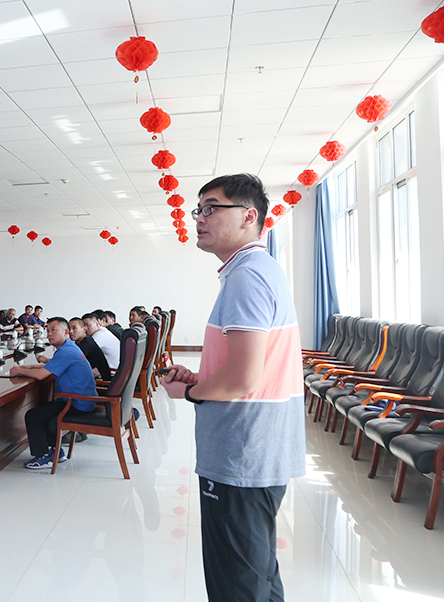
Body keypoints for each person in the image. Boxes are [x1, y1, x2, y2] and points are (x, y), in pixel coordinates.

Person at [161, 173, 304, 602]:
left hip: (243, 454)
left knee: (237, 588)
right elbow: (244, 369)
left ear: (248, 216)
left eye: (210, 208)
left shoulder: (248, 276)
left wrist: (189, 393)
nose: (199, 218)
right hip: (255, 450)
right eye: (197, 209)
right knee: (256, 578)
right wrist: (203, 381)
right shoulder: (254, 270)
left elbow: (244, 379)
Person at [12, 318, 97, 470]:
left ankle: (44, 456)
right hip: (80, 400)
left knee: (33, 416)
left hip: (77, 403)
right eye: (48, 330)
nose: (49, 334)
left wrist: (18, 370)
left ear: (65, 332)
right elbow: (48, 365)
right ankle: (56, 451)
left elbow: (40, 375)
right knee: (46, 410)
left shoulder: (66, 351)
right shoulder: (68, 347)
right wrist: (29, 367)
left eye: (53, 330)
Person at [68, 317, 112, 384]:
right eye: (69, 329)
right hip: (90, 379)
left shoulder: (87, 343)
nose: (70, 331)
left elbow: (70, 361)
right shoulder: (78, 343)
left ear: (84, 329)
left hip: (100, 383)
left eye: (74, 328)